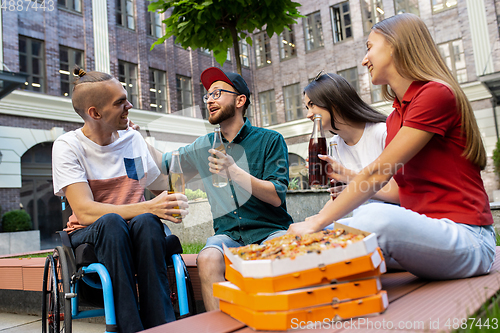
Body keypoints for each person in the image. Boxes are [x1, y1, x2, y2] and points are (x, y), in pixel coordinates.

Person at [288, 13, 496, 280]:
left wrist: (316, 221)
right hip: (429, 234)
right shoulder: (396, 116)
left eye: (370, 48)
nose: (365, 60)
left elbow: (378, 174)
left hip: (470, 239)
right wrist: (337, 194)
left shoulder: (435, 94)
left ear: (395, 45)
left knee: (371, 218)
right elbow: (399, 191)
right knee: (329, 235)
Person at [52, 67, 188, 333]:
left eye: (126, 98)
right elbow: (85, 211)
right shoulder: (68, 146)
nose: (130, 105)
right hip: (90, 232)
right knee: (114, 222)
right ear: (95, 113)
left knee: (148, 221)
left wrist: (175, 197)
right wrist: (150, 206)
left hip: (137, 229)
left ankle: (161, 326)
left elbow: (164, 181)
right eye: (120, 103)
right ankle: (129, 328)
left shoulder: (131, 139)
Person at [162, 67, 293, 310]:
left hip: (271, 231)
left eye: (217, 93)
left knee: (282, 249)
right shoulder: (204, 145)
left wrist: (233, 171)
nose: (210, 100)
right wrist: (131, 136)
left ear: (240, 100)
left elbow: (276, 196)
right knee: (208, 257)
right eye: (208, 96)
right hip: (228, 236)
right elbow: (164, 164)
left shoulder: (270, 140)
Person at [303, 72, 393, 201]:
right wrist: (316, 218)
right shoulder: (335, 144)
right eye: (307, 107)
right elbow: (339, 199)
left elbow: (400, 193)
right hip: (360, 216)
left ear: (333, 101)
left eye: (312, 105)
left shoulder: (382, 132)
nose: (308, 114)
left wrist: (346, 177)